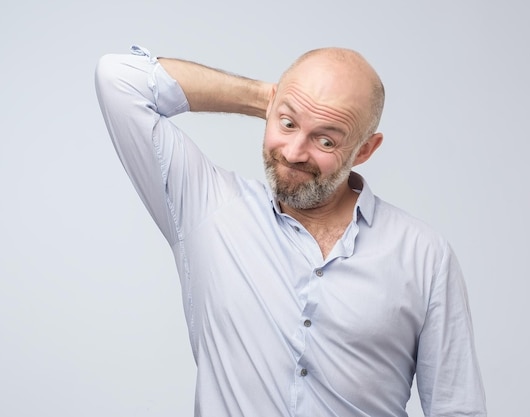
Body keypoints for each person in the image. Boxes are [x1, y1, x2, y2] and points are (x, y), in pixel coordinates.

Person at [95, 44, 487, 417]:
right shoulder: (209, 209)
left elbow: (458, 408)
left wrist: (287, 109)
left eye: (325, 139)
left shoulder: (424, 256)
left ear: (365, 150)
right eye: (287, 123)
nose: (295, 152)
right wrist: (264, 97)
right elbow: (118, 79)